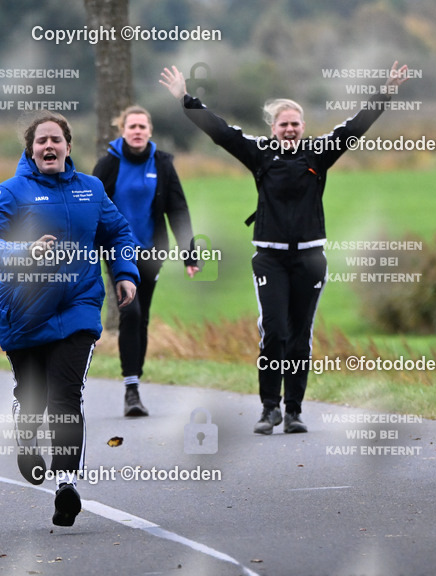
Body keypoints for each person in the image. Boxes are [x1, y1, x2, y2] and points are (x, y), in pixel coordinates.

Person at [160, 63, 409, 435]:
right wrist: (185, 98)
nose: (289, 130)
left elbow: (355, 127)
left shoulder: (318, 154)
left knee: (300, 335)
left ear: (303, 127)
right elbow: (221, 133)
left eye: (295, 124)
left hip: (310, 258)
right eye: (283, 124)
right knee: (274, 331)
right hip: (270, 258)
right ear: (272, 129)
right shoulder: (260, 154)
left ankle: (293, 410)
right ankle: (268, 408)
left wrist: (385, 91)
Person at [0, 112, 139, 526]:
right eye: (41, 141)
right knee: (33, 395)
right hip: (26, 312)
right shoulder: (11, 192)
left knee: (65, 395)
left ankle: (65, 484)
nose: (48, 147)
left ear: (67, 146)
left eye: (55, 140)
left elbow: (118, 234)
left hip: (78, 306)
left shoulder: (91, 190)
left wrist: (125, 273)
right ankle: (26, 439)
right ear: (30, 149)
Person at [92, 105, 199, 418]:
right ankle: (131, 390)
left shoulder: (162, 164)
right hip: (118, 251)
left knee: (142, 317)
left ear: (149, 131)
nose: (137, 131)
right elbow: (90, 206)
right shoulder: (109, 163)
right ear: (122, 130)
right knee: (131, 311)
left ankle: (134, 382)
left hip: (152, 252)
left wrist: (189, 253)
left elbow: (178, 209)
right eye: (132, 126)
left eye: (142, 126)